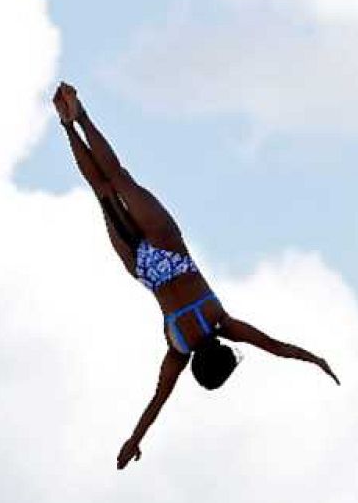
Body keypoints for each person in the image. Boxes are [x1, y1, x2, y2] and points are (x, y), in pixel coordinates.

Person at [53, 82, 339, 470]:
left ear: (224, 353)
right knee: (102, 191)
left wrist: (314, 359)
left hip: (168, 246)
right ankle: (68, 127)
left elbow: (274, 345)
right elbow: (156, 402)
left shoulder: (222, 322)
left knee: (119, 178)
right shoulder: (178, 349)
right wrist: (133, 441)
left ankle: (81, 116)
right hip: (143, 266)